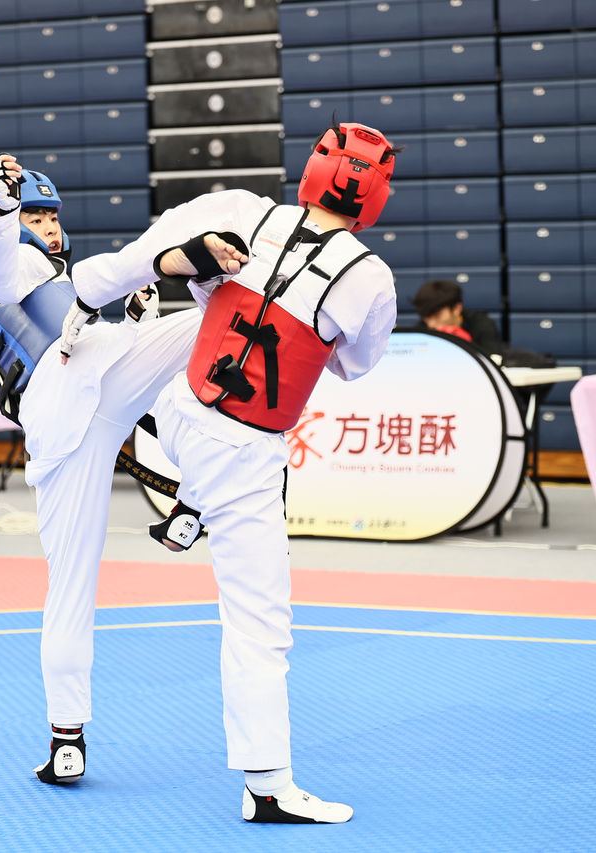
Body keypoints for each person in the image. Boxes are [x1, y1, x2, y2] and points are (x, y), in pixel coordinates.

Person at [63, 122, 399, 823]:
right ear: (375, 196)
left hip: (175, 410)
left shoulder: (244, 212)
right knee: (259, 622)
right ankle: (268, 785)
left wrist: (198, 278)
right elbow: (355, 364)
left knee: (190, 337)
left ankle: (189, 505)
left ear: (313, 171)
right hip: (242, 451)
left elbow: (141, 262)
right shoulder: (369, 276)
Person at [0, 154, 229, 786]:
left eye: (52, 217)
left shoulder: (57, 282)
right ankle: (195, 499)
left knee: (70, 588)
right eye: (36, 216)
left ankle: (67, 739)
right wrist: (2, 213)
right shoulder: (11, 264)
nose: (49, 228)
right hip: (75, 400)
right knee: (219, 327)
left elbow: (86, 333)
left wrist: (138, 320)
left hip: (84, 407)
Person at [409, 278, 505, 352]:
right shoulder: (421, 330)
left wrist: (467, 344)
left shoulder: (482, 324)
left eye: (437, 315)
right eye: (426, 317)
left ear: (456, 308)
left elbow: (494, 358)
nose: (431, 324)